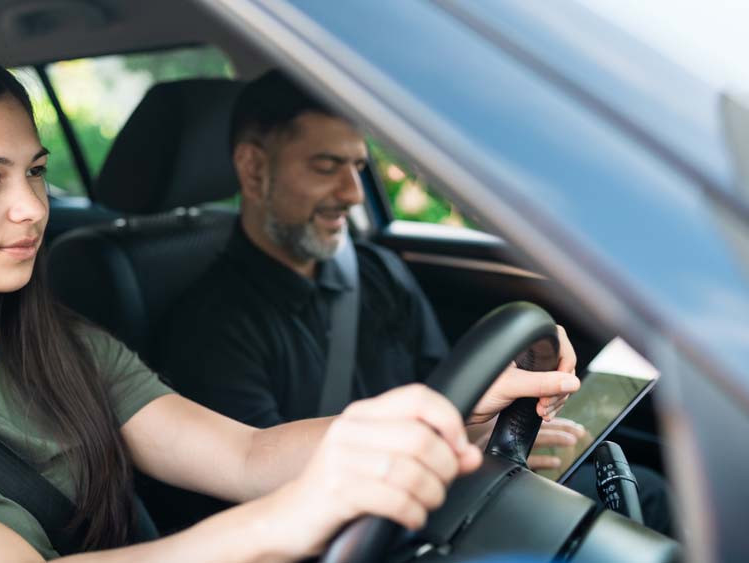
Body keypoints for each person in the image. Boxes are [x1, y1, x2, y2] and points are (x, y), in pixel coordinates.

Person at [0, 47, 578, 563]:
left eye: (36, 171)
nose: (33, 206)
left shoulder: (57, 340)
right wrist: (280, 524)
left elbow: (248, 456)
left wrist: (446, 424)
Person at [158, 69, 671, 534]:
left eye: (358, 166)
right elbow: (269, 494)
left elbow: (446, 386)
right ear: (252, 169)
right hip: (364, 526)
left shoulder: (378, 271)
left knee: (641, 488)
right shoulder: (209, 327)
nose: (354, 193)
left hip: (445, 480)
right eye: (326, 166)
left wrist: (499, 434)